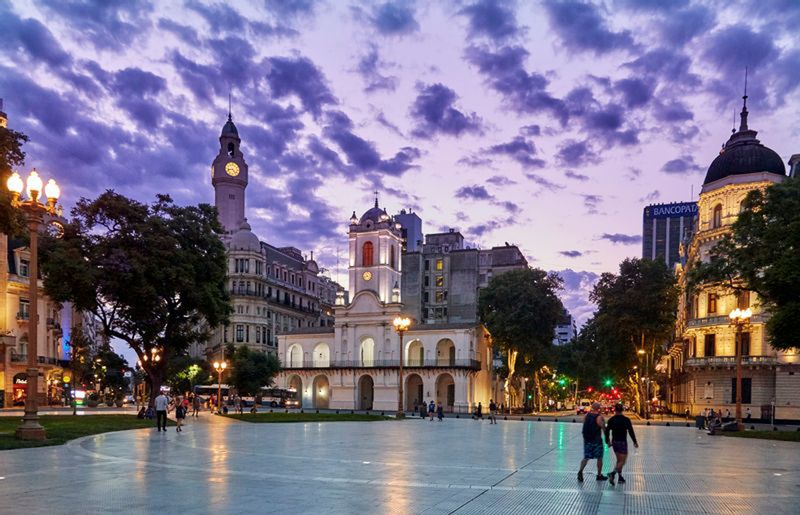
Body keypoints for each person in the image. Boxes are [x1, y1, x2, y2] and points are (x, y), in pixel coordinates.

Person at [605, 403, 638, 485]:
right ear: (622, 410)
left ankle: (620, 477)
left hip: (615, 442)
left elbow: (607, 431)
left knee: (619, 461)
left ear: (615, 410)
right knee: (622, 461)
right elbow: (631, 431)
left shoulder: (611, 420)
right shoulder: (626, 420)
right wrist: (634, 441)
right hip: (622, 442)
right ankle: (612, 473)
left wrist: (608, 441)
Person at [578, 402, 608, 482]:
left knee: (586, 457)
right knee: (599, 458)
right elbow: (604, 429)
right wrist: (607, 440)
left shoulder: (586, 416)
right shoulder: (599, 417)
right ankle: (599, 475)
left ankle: (580, 471)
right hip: (596, 441)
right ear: (598, 409)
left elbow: (585, 425)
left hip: (587, 440)